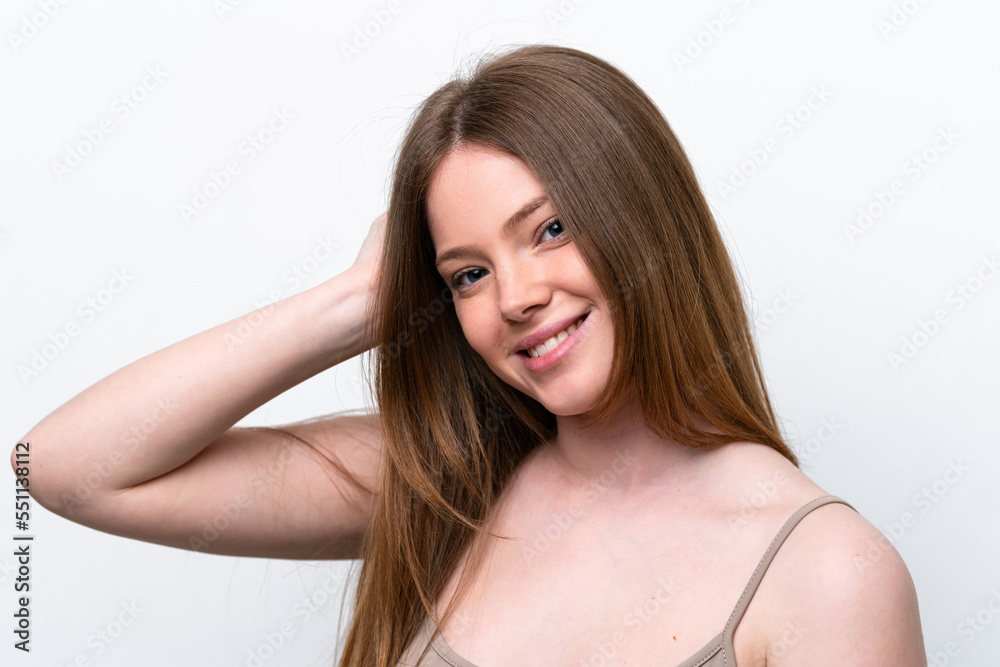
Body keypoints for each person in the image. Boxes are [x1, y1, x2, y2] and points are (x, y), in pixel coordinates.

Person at [13, 44, 926, 666]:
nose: (517, 296)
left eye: (553, 229)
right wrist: (355, 300)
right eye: (468, 274)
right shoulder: (444, 482)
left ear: (648, 215)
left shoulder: (828, 572)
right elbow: (65, 468)